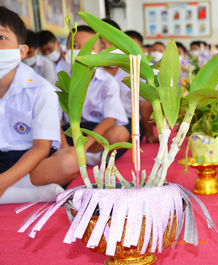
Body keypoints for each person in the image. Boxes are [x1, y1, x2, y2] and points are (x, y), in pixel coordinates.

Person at [0, 6, 79, 203]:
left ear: (22, 51)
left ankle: (8, 189)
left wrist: (3, 180)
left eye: (1, 38)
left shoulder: (41, 89)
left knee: (71, 160)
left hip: (31, 160)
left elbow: (41, 148)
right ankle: (24, 194)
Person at [60, 25, 130, 165]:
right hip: (69, 133)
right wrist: (66, 148)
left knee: (120, 133)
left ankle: (88, 155)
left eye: (89, 47)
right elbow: (55, 121)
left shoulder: (108, 82)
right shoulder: (59, 80)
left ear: (99, 54)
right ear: (65, 53)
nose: (81, 51)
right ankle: (78, 156)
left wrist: (83, 147)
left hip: (95, 134)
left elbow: (110, 119)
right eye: (75, 46)